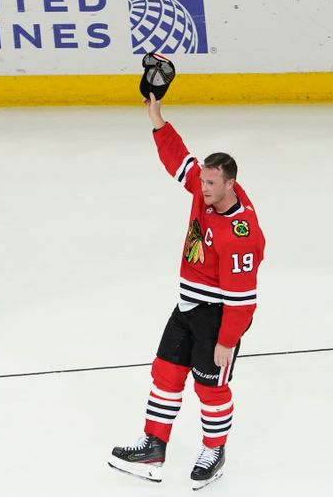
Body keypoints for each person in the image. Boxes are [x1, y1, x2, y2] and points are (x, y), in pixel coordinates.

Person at [108, 93, 265, 490]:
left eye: (212, 183)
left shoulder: (240, 234)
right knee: (165, 373)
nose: (203, 187)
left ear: (231, 184)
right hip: (188, 306)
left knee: (210, 387)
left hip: (216, 317)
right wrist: (157, 118)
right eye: (204, 181)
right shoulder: (205, 188)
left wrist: (227, 341)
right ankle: (153, 448)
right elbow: (178, 159)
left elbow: (244, 299)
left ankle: (214, 451)